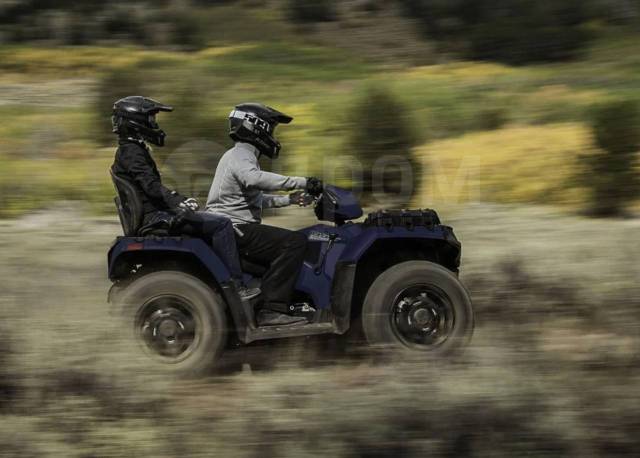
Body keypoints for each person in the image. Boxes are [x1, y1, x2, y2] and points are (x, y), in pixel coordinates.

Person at [110, 96, 259, 300]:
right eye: (151, 120)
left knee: (208, 218)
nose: (155, 125)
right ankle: (237, 285)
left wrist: (177, 200)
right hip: (155, 218)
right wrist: (177, 201)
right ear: (135, 122)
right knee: (222, 224)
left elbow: (150, 188)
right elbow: (151, 187)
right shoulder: (132, 152)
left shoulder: (130, 150)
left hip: (154, 214)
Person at [206, 102, 323, 327]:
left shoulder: (238, 156)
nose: (273, 135)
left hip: (233, 228)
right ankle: (273, 310)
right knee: (295, 242)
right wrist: (303, 181)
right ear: (256, 127)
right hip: (235, 228)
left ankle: (266, 305)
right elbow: (255, 179)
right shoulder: (241, 154)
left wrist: (290, 199)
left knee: (279, 260)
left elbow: (254, 199)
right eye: (271, 128)